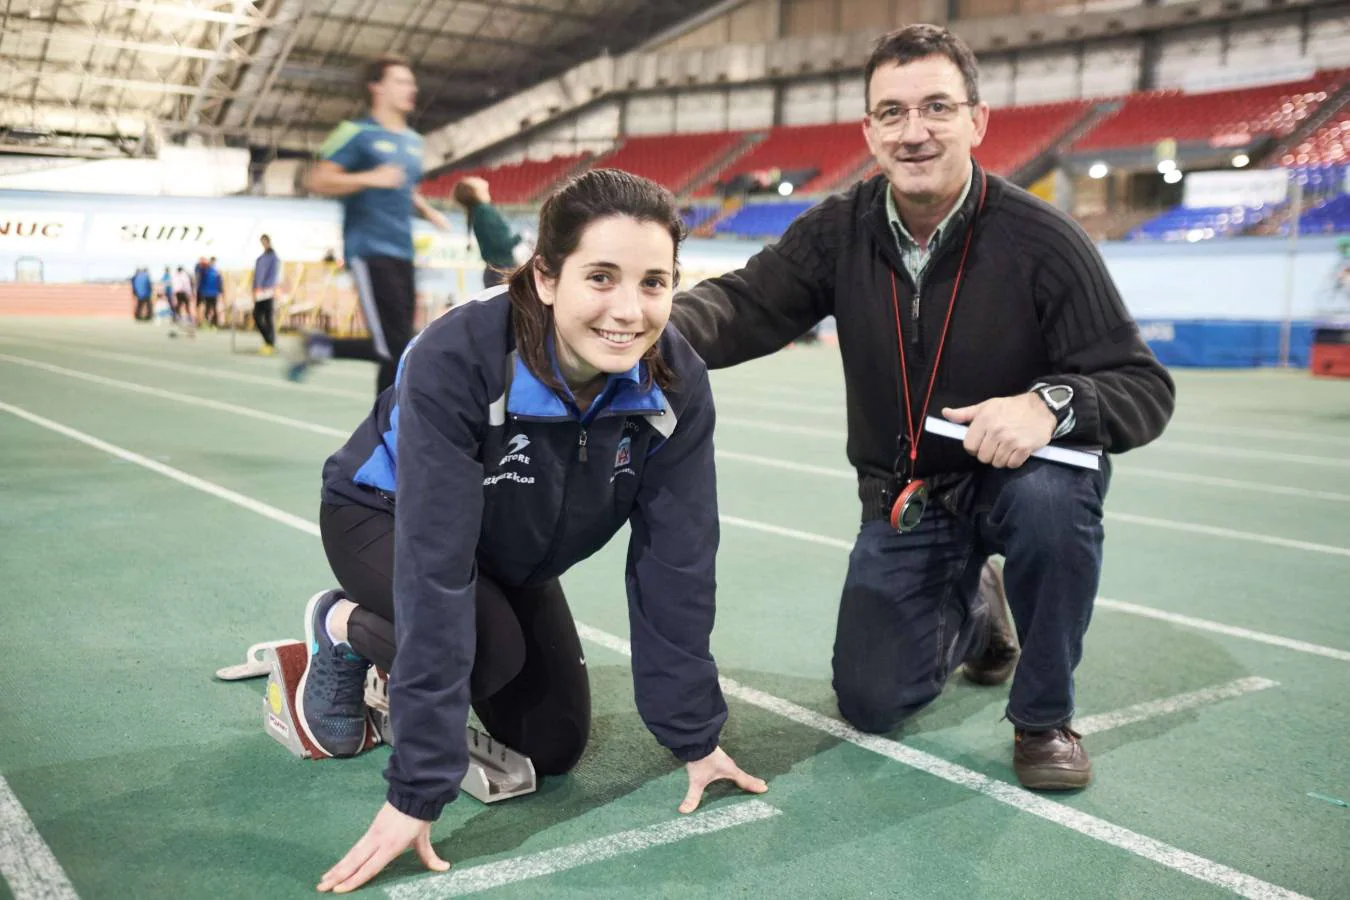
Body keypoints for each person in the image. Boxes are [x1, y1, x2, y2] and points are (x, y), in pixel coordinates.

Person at [669, 24, 1176, 790]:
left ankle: (1043, 718)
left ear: (977, 120)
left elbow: (1142, 385)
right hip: (909, 496)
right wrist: (641, 328)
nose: (915, 132)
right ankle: (976, 607)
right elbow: (743, 306)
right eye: (894, 113)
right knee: (870, 701)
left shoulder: (1045, 240)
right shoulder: (838, 230)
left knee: (1051, 506)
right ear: (869, 131)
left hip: (1018, 478)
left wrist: (1050, 404)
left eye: (937, 107)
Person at [297, 169, 766, 893]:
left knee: (551, 748)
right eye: (601, 277)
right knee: (483, 652)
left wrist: (696, 739)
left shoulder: (675, 381)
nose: (629, 311)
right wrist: (418, 787)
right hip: (381, 518)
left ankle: (416, 653)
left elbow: (677, 562)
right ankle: (340, 626)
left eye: (653, 283)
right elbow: (435, 565)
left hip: (512, 548)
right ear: (546, 276)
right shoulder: (461, 357)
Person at [293, 53, 451, 393]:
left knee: (397, 349)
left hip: (402, 251)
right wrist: (370, 178)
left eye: (411, 81)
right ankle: (322, 346)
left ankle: (386, 430)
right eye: (401, 81)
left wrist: (426, 211)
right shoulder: (354, 133)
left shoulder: (412, 141)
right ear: (376, 88)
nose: (412, 88)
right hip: (368, 248)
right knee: (394, 347)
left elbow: (401, 186)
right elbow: (316, 179)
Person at [452, 176, 524, 288]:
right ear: (473, 190)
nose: (480, 179)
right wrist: (522, 236)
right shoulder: (484, 211)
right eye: (474, 179)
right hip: (501, 271)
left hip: (497, 271)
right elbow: (503, 245)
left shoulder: (478, 211)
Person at [252, 235, 281, 354]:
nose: (263, 244)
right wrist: (255, 289)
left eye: (265, 242)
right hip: (260, 291)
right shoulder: (261, 258)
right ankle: (268, 340)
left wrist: (271, 287)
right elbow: (257, 275)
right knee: (257, 315)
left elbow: (274, 275)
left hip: (268, 290)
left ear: (268, 242)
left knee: (268, 317)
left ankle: (270, 343)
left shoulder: (274, 258)